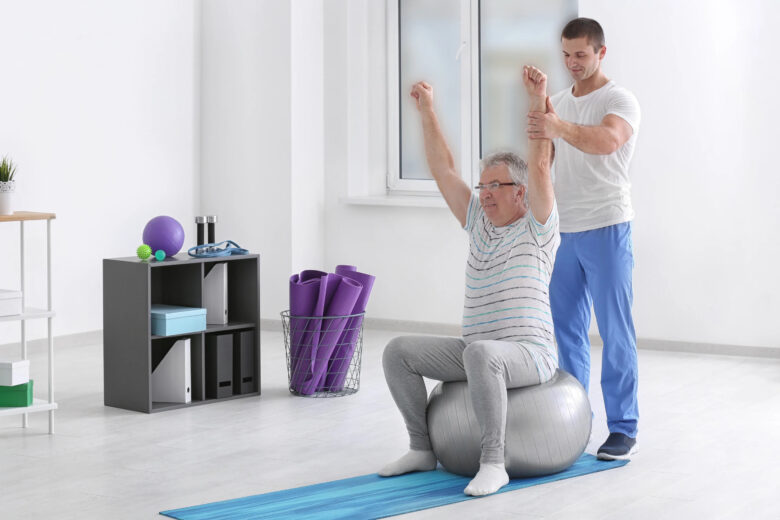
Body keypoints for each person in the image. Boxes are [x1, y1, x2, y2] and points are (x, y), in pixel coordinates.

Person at [378, 66, 558, 497]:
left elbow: (540, 164)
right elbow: (443, 170)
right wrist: (427, 108)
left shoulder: (538, 227)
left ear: (522, 192)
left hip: (529, 354)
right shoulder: (478, 221)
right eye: (483, 185)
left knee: (481, 354)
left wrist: (537, 99)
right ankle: (421, 448)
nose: (486, 193)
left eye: (497, 185)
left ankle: (494, 462)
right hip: (477, 352)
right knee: (397, 351)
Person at [526, 17, 641, 460]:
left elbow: (608, 141)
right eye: (566, 55)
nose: (572, 63)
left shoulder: (618, 99)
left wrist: (557, 126)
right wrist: (539, 103)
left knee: (615, 332)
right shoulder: (556, 102)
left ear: (600, 53)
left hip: (608, 226)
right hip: (562, 233)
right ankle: (574, 421)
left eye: (581, 54)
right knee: (567, 334)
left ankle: (624, 428)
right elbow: (542, 160)